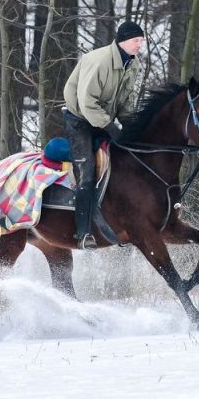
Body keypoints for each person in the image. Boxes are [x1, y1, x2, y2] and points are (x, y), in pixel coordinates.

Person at [63, 21, 144, 249]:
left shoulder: (133, 65)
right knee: (87, 172)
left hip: (103, 118)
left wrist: (130, 124)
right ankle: (84, 232)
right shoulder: (99, 61)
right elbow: (87, 103)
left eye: (141, 41)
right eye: (136, 40)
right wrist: (110, 127)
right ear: (123, 41)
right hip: (79, 119)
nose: (139, 45)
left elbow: (126, 101)